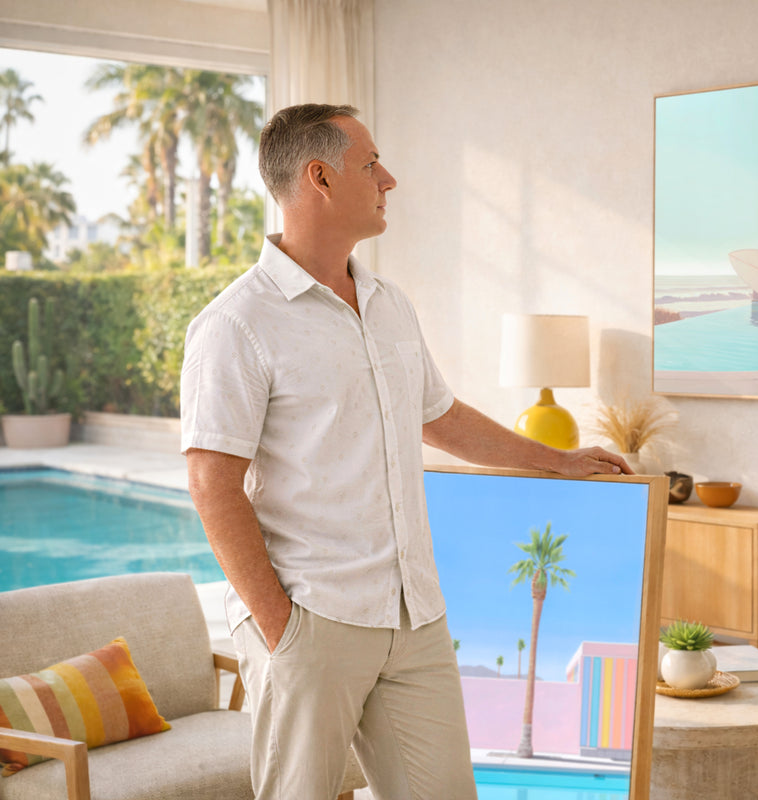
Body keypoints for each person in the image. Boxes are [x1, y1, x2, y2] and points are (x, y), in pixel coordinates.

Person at [179, 103, 630, 800]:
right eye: (370, 164)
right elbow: (212, 484)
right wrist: (280, 625)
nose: (389, 179)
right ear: (319, 177)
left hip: (415, 615)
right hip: (313, 617)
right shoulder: (236, 324)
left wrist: (561, 461)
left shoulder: (388, 304)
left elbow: (439, 416)